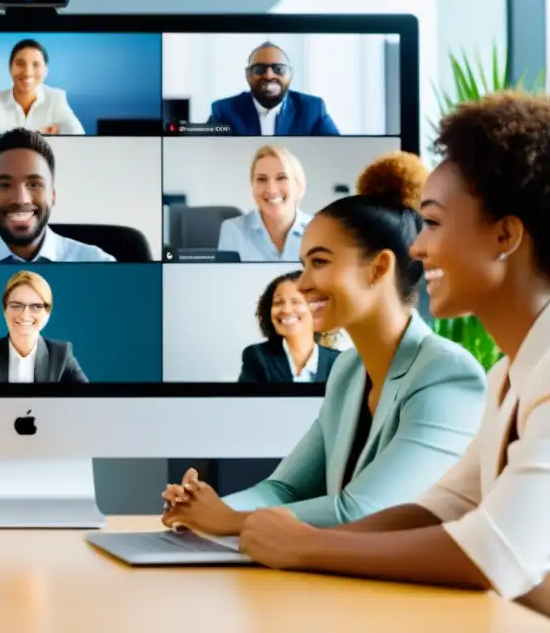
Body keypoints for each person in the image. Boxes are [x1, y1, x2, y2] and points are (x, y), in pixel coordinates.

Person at [236, 92, 550, 613]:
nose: (418, 248)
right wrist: (297, 543)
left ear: (505, 234)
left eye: (432, 222)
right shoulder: (509, 376)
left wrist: (310, 546)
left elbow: (495, 552)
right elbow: (445, 507)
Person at [162, 152, 486, 536]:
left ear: (379, 268)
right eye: (303, 265)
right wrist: (205, 507)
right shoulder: (349, 370)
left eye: (319, 262)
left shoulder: (446, 373)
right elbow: (284, 488)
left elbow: (363, 513)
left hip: (420, 592)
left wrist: (228, 521)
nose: (301, 284)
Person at [0, 129, 114, 263]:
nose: (20, 199)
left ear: (52, 195)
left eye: (34, 184)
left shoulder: (100, 265)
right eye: (4, 185)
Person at [0, 270, 88, 384]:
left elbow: (88, 401)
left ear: (47, 313)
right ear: (4, 310)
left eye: (36, 307)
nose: (25, 315)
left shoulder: (62, 354)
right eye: (16, 305)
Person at [208, 42, 340, 136]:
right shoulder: (224, 111)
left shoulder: (312, 109)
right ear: (248, 75)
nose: (269, 75)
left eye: (279, 69)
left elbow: (336, 152)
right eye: (259, 69)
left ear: (290, 74)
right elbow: (206, 151)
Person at [237, 270, 340, 384]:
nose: (286, 310)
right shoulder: (258, 357)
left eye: (296, 301)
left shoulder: (340, 362)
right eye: (278, 302)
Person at [0, 39, 84, 136]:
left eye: (36, 64)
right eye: (20, 63)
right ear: (10, 68)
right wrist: (38, 134)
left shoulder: (55, 98)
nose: (28, 72)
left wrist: (6, 139)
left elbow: (79, 138)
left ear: (46, 70)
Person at [217, 145, 312, 262]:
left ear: (298, 185)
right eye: (262, 179)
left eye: (281, 178)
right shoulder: (233, 230)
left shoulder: (320, 230)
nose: (271, 189)